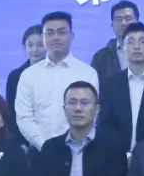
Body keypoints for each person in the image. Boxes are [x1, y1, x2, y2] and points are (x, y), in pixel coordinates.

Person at [15, 11, 100, 151]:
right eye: (50, 33)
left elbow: (91, 114)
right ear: (43, 37)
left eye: (61, 32)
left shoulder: (87, 73)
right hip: (40, 151)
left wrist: (73, 144)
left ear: (71, 36)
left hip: (79, 149)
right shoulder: (28, 75)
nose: (55, 37)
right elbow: (24, 117)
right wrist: (44, 146)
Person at [97, 22, 144, 154]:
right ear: (123, 48)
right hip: (116, 156)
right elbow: (105, 124)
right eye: (130, 42)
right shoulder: (110, 84)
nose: (137, 46)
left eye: (143, 41)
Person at [90, 0, 144, 80]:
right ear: (112, 25)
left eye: (128, 18)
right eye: (118, 19)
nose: (123, 23)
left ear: (137, 22)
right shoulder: (101, 57)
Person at [5, 25, 46, 141]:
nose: (35, 50)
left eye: (40, 45)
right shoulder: (15, 76)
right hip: (22, 139)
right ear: (24, 47)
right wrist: (18, 143)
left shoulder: (56, 73)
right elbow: (10, 112)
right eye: (30, 45)